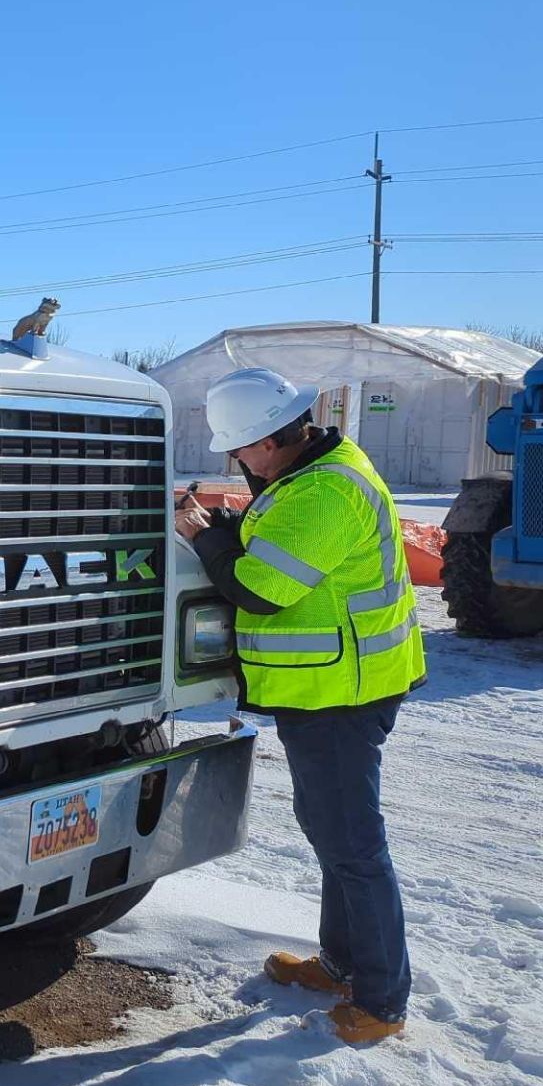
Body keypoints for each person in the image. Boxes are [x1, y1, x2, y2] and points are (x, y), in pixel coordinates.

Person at [174, 367, 427, 1044]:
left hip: (340, 692)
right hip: (327, 687)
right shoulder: (308, 475)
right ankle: (342, 963)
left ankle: (381, 1001)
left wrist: (204, 538)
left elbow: (260, 589)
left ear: (265, 440)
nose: (236, 462)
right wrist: (228, 520)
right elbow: (274, 534)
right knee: (330, 829)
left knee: (353, 844)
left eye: (239, 450)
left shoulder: (326, 491)